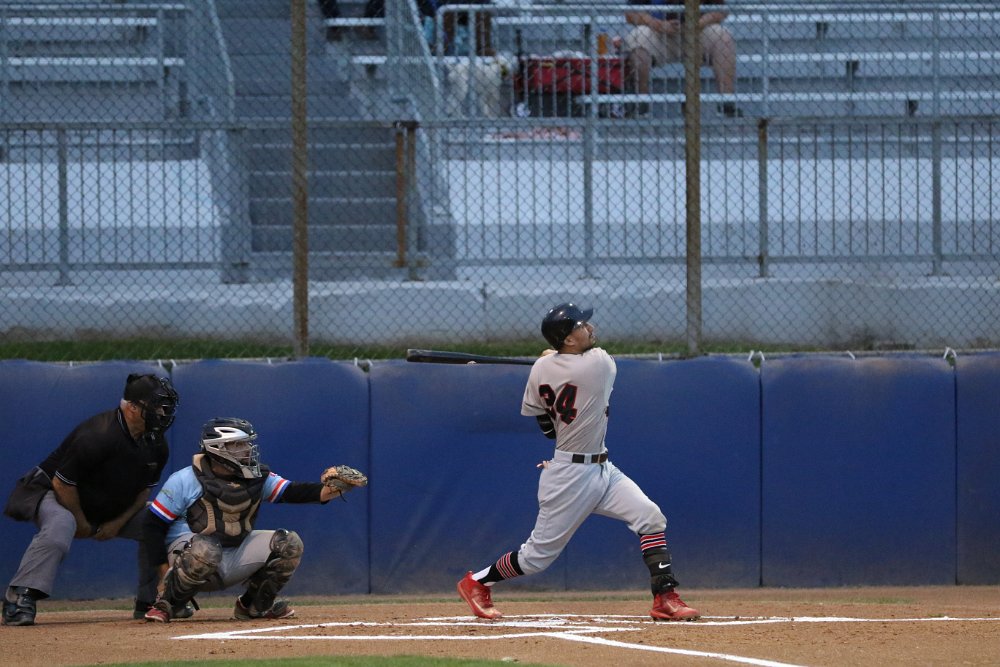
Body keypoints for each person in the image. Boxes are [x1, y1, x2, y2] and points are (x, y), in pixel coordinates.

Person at [456, 303, 700, 622]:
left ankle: (665, 598)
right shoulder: (599, 364)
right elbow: (577, 370)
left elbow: (547, 429)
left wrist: (549, 364)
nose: (590, 328)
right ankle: (476, 582)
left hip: (602, 469)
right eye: (581, 326)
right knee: (535, 559)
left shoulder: (541, 370)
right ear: (569, 340)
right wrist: (554, 362)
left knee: (650, 516)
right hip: (569, 476)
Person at [141, 417, 367, 623]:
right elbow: (153, 526)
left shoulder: (255, 476)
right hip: (190, 558)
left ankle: (253, 605)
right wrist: (163, 577)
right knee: (206, 548)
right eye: (239, 444)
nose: (248, 449)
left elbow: (293, 492)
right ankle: (168, 602)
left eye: (247, 443)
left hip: (232, 555)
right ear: (218, 448)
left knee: (289, 543)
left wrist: (334, 489)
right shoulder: (184, 479)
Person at [2, 374, 180, 627]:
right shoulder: (99, 434)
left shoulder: (157, 444)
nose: (162, 413)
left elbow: (143, 492)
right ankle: (19, 597)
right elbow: (62, 483)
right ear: (131, 407)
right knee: (61, 524)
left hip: (107, 503)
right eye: (156, 405)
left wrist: (117, 523)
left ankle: (152, 600)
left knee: (159, 522)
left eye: (165, 406)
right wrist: (81, 522)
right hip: (54, 492)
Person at [623, 0, 742, 117]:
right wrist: (658, 24)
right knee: (639, 37)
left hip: (698, 32)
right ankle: (641, 103)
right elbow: (630, 13)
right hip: (659, 33)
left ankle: (727, 102)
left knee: (723, 37)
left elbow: (721, 11)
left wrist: (699, 23)